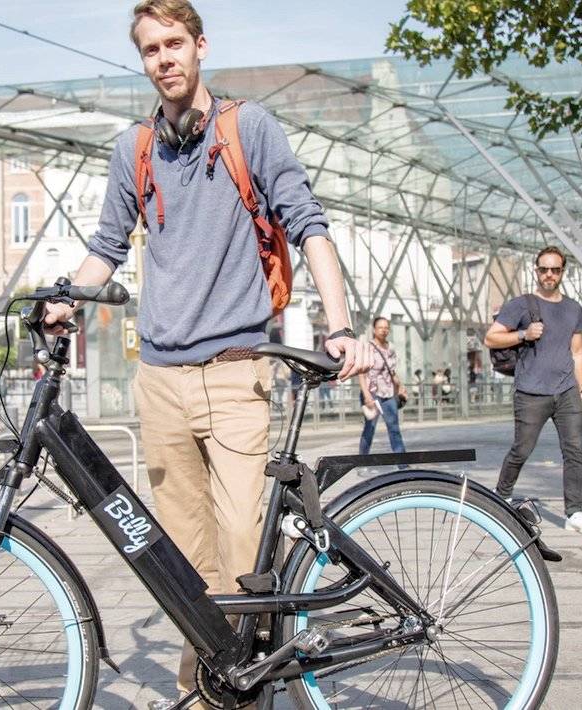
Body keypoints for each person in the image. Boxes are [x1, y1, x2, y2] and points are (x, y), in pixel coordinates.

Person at [41, 2, 370, 705]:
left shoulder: (248, 128)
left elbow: (309, 225)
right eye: (150, 49)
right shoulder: (133, 149)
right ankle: (214, 686)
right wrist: (64, 295)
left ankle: (255, 674)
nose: (164, 58)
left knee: (242, 546)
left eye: (174, 44)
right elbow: (106, 247)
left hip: (235, 374)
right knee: (181, 564)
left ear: (200, 47)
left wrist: (340, 327)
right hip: (159, 383)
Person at [484, 246, 582, 534]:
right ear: (536, 270)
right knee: (522, 449)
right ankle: (502, 495)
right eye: (544, 269)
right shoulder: (521, 304)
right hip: (531, 392)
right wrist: (523, 333)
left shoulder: (573, 309)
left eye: (555, 270)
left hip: (567, 390)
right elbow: (491, 338)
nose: (549, 274)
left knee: (575, 452)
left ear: (562, 272)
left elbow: (578, 353)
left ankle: (575, 513)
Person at [358, 316, 408, 456]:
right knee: (370, 428)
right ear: (374, 330)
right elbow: (361, 373)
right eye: (380, 327)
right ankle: (362, 460)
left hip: (388, 394)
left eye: (386, 328)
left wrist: (401, 388)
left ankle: (402, 464)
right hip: (372, 393)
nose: (384, 330)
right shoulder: (367, 347)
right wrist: (367, 395)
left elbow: (391, 372)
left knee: (394, 429)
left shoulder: (390, 348)